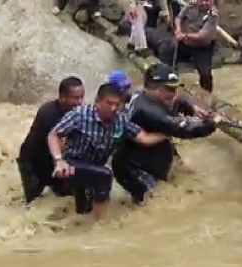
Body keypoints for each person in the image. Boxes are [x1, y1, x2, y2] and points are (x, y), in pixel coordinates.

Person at [47, 82, 167, 222]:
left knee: (85, 209)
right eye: (108, 103)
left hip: (94, 169)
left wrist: (168, 133)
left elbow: (144, 138)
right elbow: (54, 135)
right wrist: (59, 160)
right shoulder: (80, 115)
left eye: (117, 104)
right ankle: (101, 227)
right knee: (105, 175)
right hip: (71, 166)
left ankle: (73, 226)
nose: (113, 108)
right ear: (97, 101)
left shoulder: (120, 120)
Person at [111, 63, 221, 205]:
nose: (173, 93)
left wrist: (191, 108)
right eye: (168, 89)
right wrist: (212, 124)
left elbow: (177, 100)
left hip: (155, 152)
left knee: (183, 177)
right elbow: (183, 130)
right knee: (151, 206)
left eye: (175, 88)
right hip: (136, 168)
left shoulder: (147, 96)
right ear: (151, 87)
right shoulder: (148, 110)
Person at [17, 76, 84, 205]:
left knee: (66, 197)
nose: (79, 102)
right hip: (32, 162)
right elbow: (59, 142)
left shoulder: (77, 113)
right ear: (62, 97)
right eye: (75, 98)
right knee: (34, 203)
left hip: (51, 161)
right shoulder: (48, 113)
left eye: (81, 97)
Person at [163, 0, 218, 92]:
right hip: (185, 43)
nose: (204, 3)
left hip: (202, 47)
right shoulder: (191, 5)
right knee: (166, 51)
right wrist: (178, 30)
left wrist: (184, 35)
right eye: (202, 0)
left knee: (205, 74)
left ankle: (207, 95)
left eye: (208, 1)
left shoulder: (213, 15)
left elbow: (202, 35)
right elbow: (179, 18)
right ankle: (167, 83)